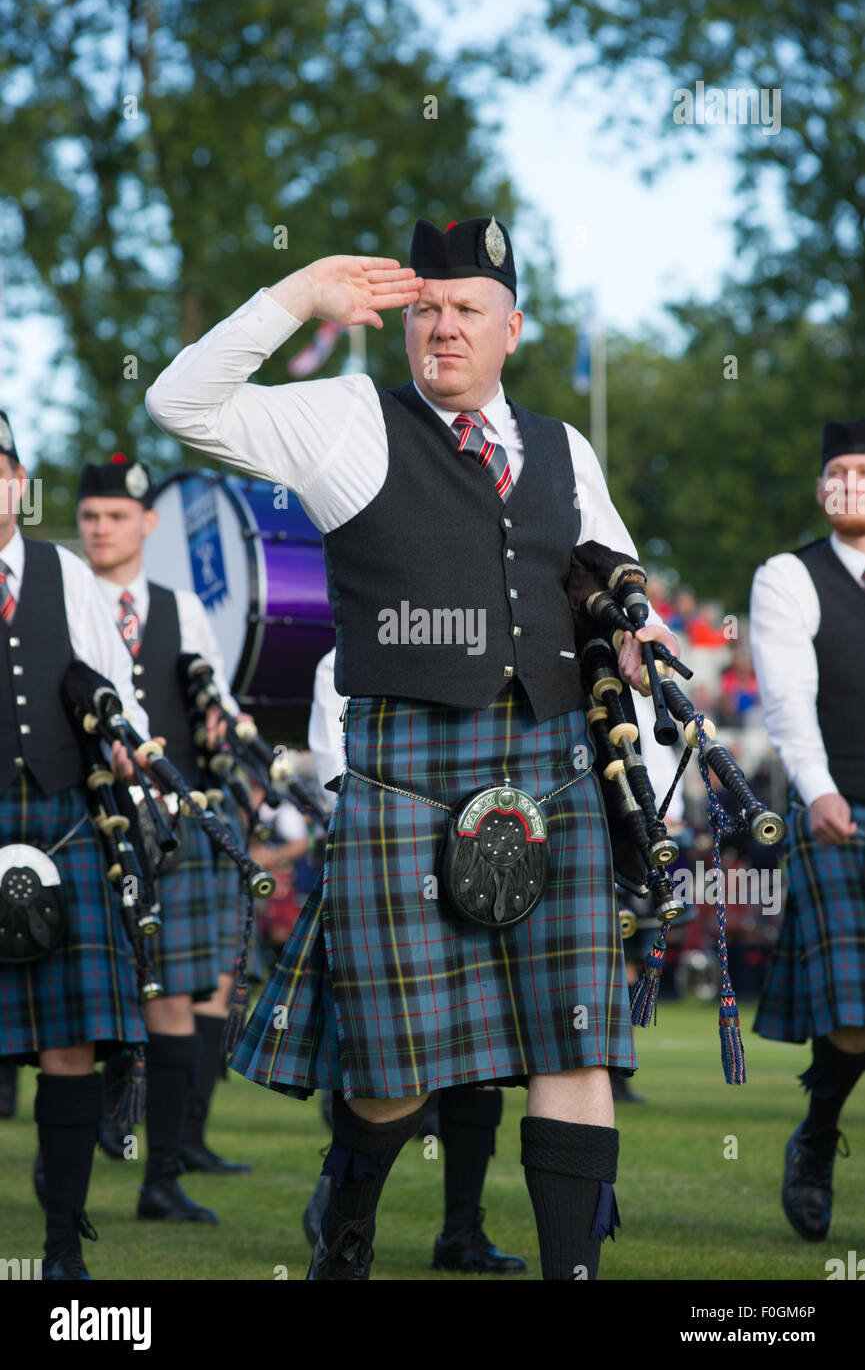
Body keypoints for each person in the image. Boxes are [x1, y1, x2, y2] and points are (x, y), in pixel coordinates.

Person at [145, 217, 679, 1281]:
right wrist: (298, 294)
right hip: (406, 773)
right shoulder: (347, 420)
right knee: (393, 1071)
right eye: (423, 307)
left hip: (553, 765)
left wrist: (639, 627)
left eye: (466, 308)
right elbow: (178, 403)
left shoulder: (563, 445)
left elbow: (612, 567)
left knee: (575, 1038)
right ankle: (349, 1214)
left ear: (510, 326)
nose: (442, 328)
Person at [303, 645, 527, 1273]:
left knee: (486, 1055)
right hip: (392, 855)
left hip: (484, 854)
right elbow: (336, 775)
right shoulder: (344, 660)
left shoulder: (495, 647)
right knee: (391, 1055)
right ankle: (339, 1210)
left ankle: (462, 1230)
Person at [76, 455, 252, 1216]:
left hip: (170, 831)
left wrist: (230, 734)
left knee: (176, 1000)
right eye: (89, 517)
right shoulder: (56, 595)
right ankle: (72, 1172)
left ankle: (164, 1177)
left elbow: (212, 705)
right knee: (77, 1001)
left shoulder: (183, 608)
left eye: (115, 516)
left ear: (147, 523)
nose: (101, 529)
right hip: (82, 824)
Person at [0, 411, 149, 1279]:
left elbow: (117, 691)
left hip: (61, 822)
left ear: (20, 481)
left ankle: (62, 1247)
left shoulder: (64, 573)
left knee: (70, 1045)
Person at [750, 417, 865, 1242]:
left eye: (860, 471)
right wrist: (818, 790)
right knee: (855, 1015)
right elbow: (787, 700)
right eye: (836, 471)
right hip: (841, 815)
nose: (847, 484)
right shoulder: (787, 576)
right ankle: (818, 1134)